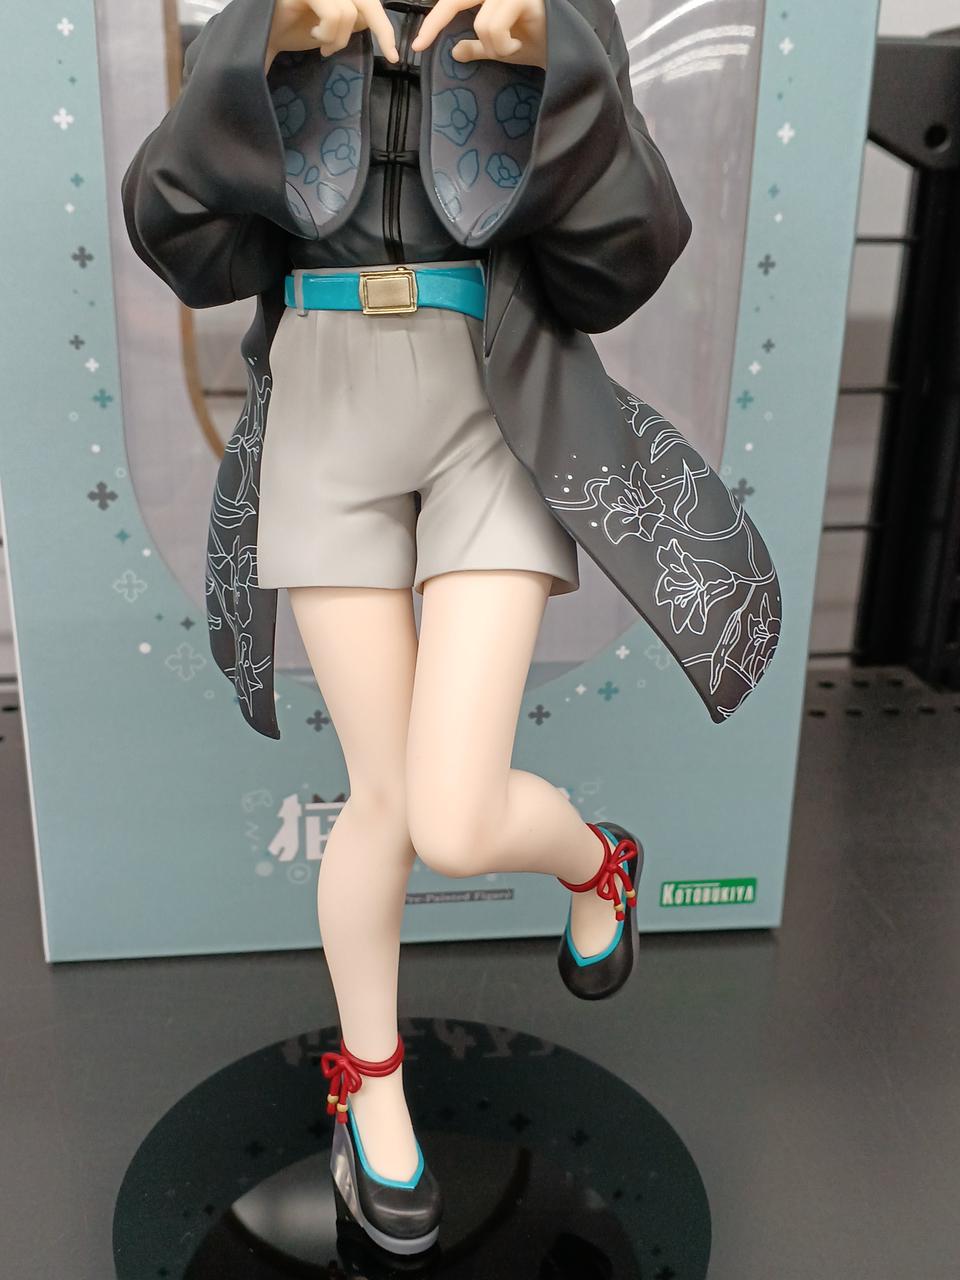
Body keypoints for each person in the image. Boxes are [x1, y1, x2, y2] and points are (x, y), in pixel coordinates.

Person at [121, 0, 772, 1255]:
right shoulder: (276, 15)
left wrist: (559, 66)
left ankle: (595, 861)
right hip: (326, 397)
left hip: (492, 399)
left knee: (457, 816)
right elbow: (178, 233)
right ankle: (370, 1091)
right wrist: (265, 40)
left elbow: (628, 259)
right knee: (383, 797)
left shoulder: (550, 14)